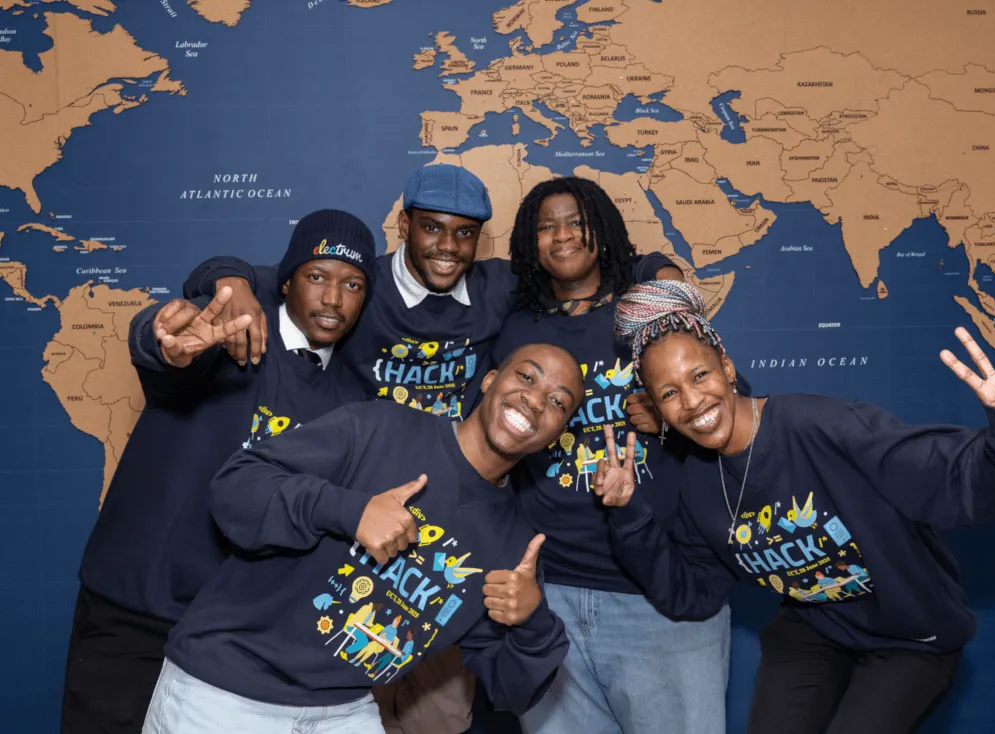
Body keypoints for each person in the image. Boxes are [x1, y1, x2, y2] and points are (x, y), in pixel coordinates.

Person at [178, 163, 677, 733]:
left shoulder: (500, 289)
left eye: (464, 233)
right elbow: (272, 281)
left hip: (457, 537)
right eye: (432, 228)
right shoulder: (359, 289)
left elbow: (583, 259)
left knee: (436, 715)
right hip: (368, 499)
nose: (447, 246)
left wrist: (665, 275)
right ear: (404, 225)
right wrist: (228, 279)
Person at [596, 279, 995, 734]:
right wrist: (627, 511)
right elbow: (690, 591)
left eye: (699, 375)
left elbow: (958, 483)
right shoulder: (695, 479)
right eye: (669, 393)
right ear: (654, 406)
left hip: (911, 637)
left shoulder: (823, 427)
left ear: (728, 369)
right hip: (814, 629)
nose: (693, 402)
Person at [141, 343, 585, 734]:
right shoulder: (380, 426)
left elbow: (511, 690)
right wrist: (349, 511)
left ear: (558, 432)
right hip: (225, 689)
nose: (534, 400)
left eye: (558, 403)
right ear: (490, 380)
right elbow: (235, 488)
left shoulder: (514, 547)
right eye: (525, 377)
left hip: (342, 708)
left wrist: (533, 623)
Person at [61, 210, 378, 734]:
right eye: (316, 277)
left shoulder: (350, 397)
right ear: (285, 280)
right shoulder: (231, 337)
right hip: (134, 610)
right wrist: (165, 343)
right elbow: (168, 355)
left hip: (231, 642)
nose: (332, 299)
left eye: (352, 284)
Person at [489, 177, 730, 734]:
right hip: (552, 596)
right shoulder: (515, 327)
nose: (562, 235)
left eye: (576, 220)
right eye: (545, 226)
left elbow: (726, 409)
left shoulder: (647, 313)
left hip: (658, 594)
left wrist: (671, 423)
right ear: (529, 242)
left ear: (604, 228)